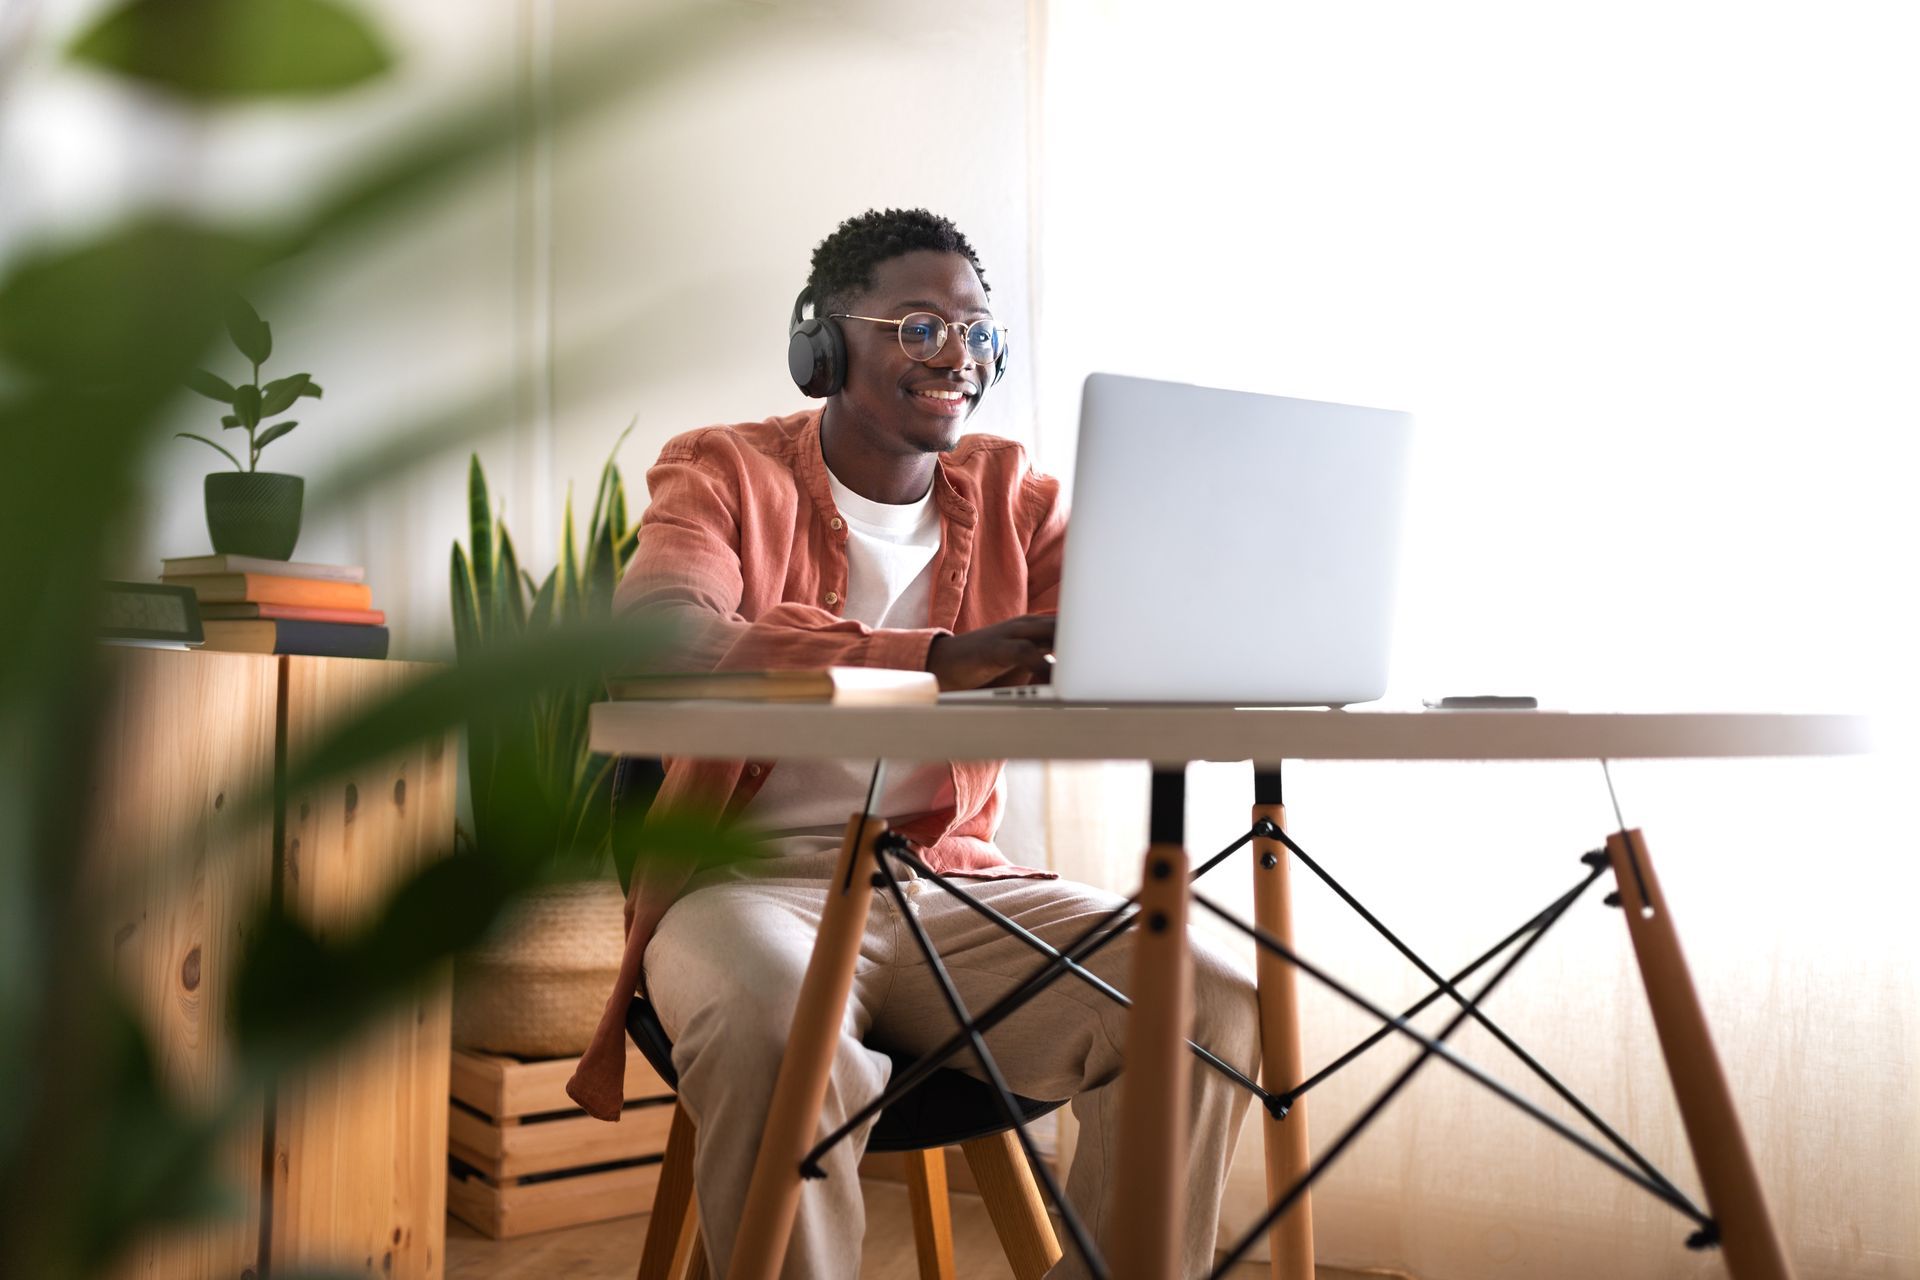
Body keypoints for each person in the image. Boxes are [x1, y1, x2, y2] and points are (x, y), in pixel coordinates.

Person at [567, 208, 1258, 1279]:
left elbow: (1134, 638)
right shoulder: (720, 471)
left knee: (1206, 998)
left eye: (977, 333)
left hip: (946, 887)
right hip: (744, 887)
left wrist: (1209, 602)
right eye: (921, 327)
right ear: (827, 343)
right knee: (775, 1035)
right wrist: (932, 656)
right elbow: (662, 645)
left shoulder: (1017, 498)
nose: (959, 359)